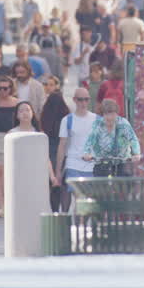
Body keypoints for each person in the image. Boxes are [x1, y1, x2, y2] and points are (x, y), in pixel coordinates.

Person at [54, 86, 96, 212]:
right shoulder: (67, 120)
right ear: (74, 100)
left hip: (91, 165)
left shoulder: (97, 120)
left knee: (86, 200)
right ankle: (77, 228)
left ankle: (79, 227)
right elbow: (62, 146)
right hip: (73, 164)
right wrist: (58, 172)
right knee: (79, 197)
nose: (83, 103)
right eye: (80, 100)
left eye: (86, 99)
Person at [0, 76, 20, 218]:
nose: (3, 91)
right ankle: (2, 207)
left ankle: (13, 204)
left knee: (13, 174)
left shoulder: (18, 103)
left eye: (6, 88)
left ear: (11, 88)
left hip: (13, 138)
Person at [82, 99, 141, 177]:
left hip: (121, 163)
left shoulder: (123, 124)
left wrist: (136, 154)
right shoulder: (97, 124)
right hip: (102, 163)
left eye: (112, 114)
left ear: (116, 114)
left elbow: (133, 139)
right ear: (103, 114)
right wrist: (87, 153)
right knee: (100, 185)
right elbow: (90, 140)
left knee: (123, 185)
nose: (109, 118)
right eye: (106, 114)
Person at [39, 77, 70, 212]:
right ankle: (65, 212)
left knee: (53, 184)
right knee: (64, 185)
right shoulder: (66, 115)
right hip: (64, 150)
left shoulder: (45, 115)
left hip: (50, 149)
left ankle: (55, 212)